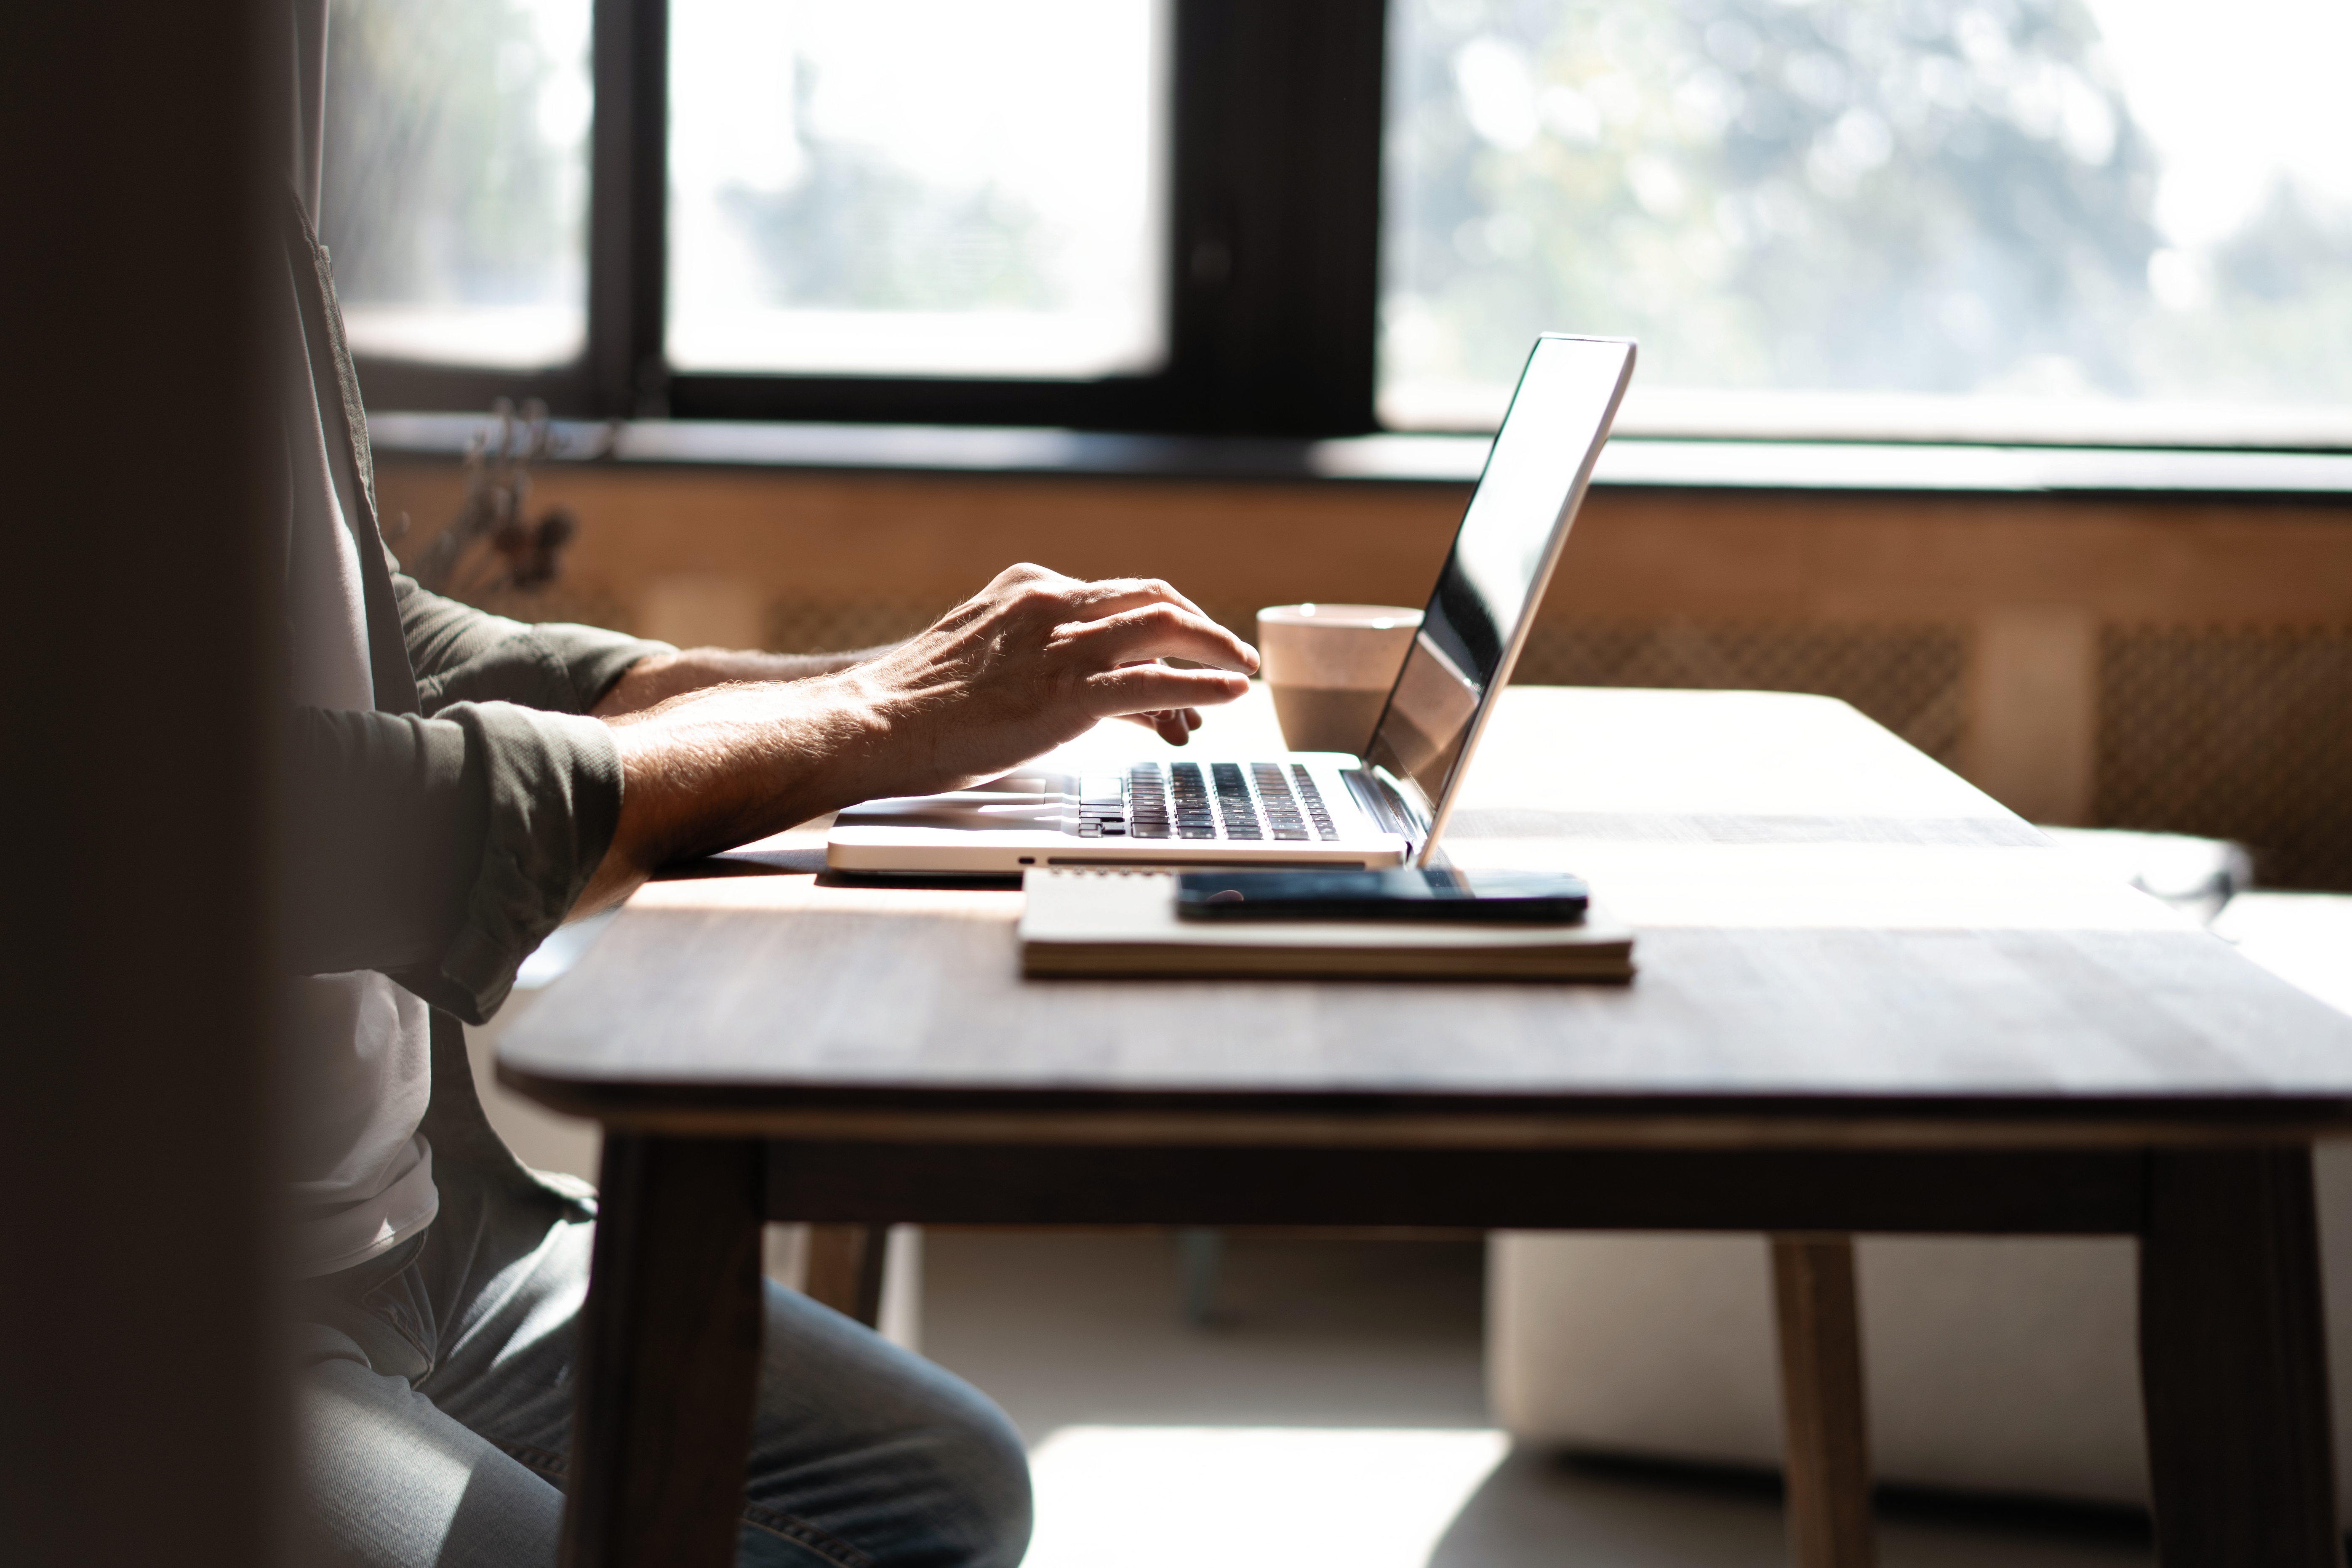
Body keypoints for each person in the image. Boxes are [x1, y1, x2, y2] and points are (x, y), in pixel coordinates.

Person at [275, 8, 1256, 1564]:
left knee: (941, 1486)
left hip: (419, 1226)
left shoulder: (239, 227)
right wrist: (867, 718)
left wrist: (889, 695)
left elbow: (365, 633)